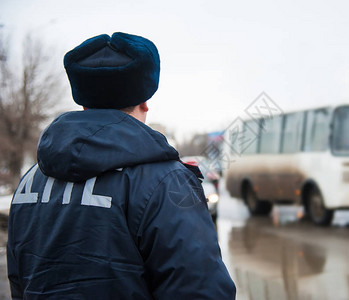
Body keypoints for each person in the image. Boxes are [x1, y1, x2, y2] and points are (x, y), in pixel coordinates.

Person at [7, 32, 236, 299]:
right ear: (144, 102)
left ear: (83, 103)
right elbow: (200, 290)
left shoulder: (30, 179)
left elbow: (19, 280)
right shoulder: (167, 181)